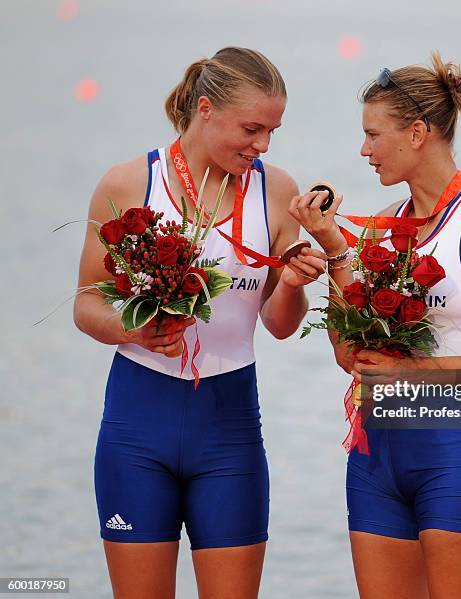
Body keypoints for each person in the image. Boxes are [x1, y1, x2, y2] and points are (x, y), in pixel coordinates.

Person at [289, 51, 461, 599]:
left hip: (452, 455)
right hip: (373, 461)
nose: (363, 151)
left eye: (373, 135)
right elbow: (348, 356)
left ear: (416, 133)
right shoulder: (389, 228)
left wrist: (418, 373)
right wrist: (335, 248)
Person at [74, 47, 326, 599]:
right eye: (252, 129)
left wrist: (290, 282)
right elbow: (86, 303)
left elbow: (281, 327)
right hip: (138, 427)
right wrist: (131, 329)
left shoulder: (277, 191)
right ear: (206, 109)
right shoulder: (127, 185)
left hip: (229, 431)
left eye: (272, 132)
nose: (262, 145)